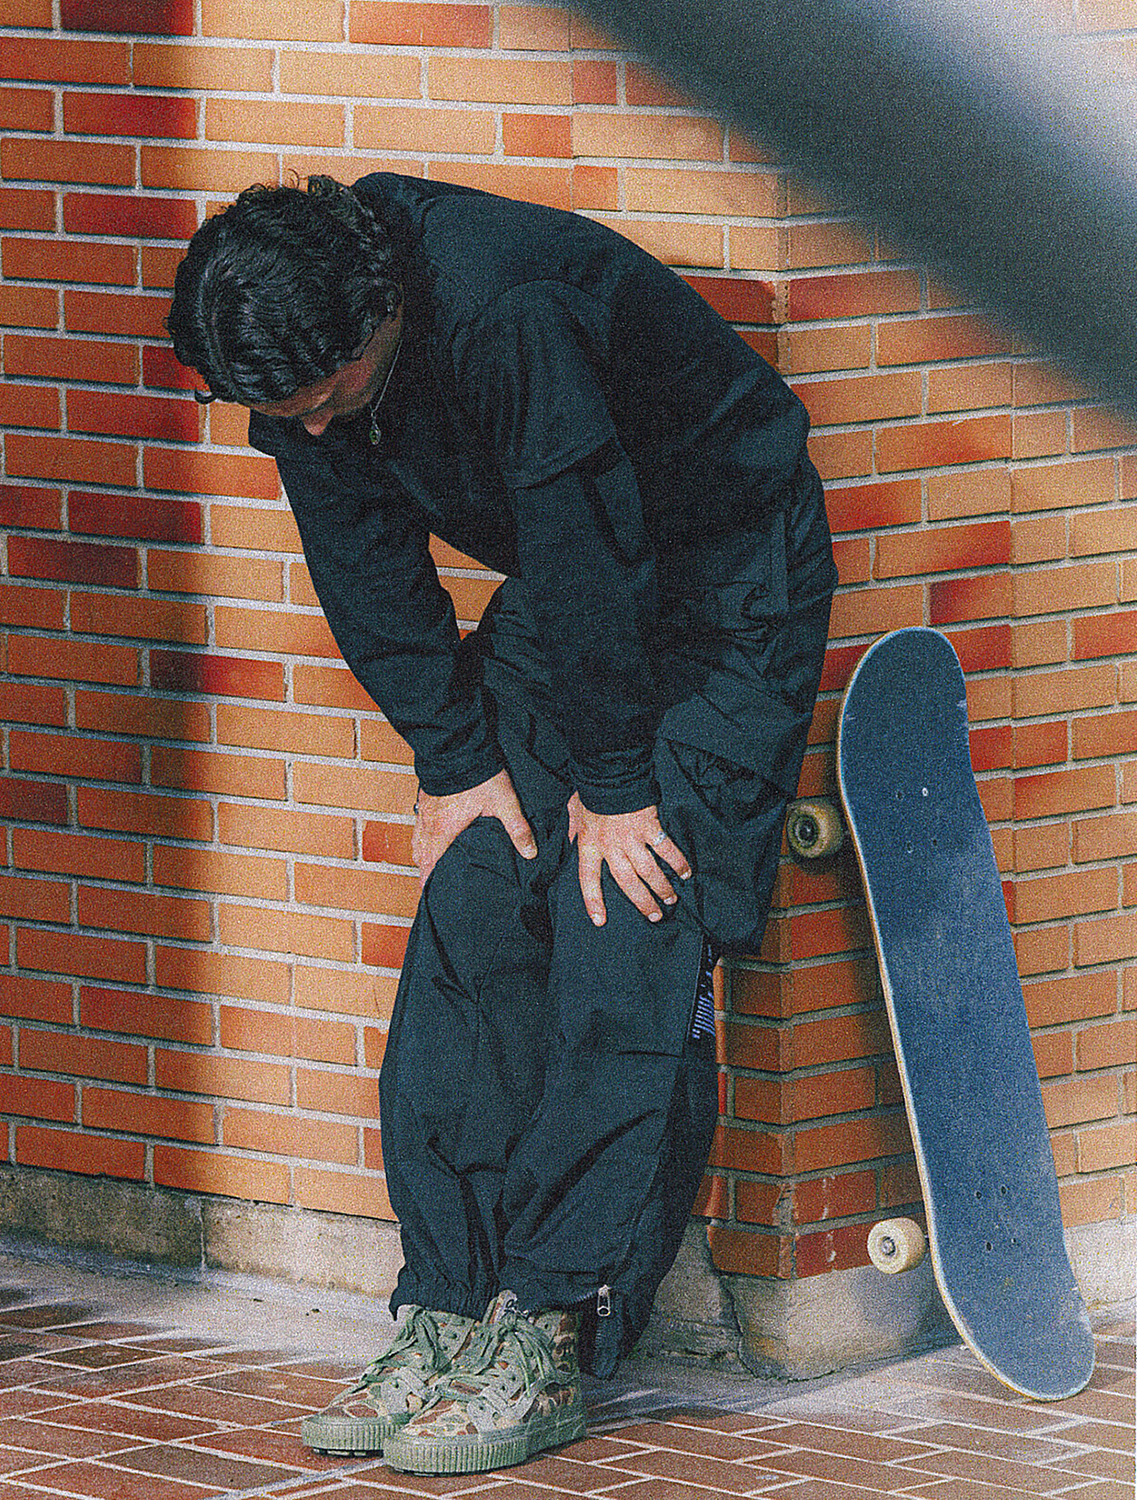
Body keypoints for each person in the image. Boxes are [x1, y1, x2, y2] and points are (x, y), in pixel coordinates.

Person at [167, 173, 837, 1478]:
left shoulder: (509, 311)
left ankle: (547, 1322)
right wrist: (456, 758)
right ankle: (448, 1304)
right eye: (282, 415)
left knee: (625, 909)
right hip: (574, 597)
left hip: (724, 587)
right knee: (477, 889)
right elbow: (362, 556)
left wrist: (617, 786)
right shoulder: (305, 359)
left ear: (378, 321)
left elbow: (590, 542)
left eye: (328, 398)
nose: (311, 427)